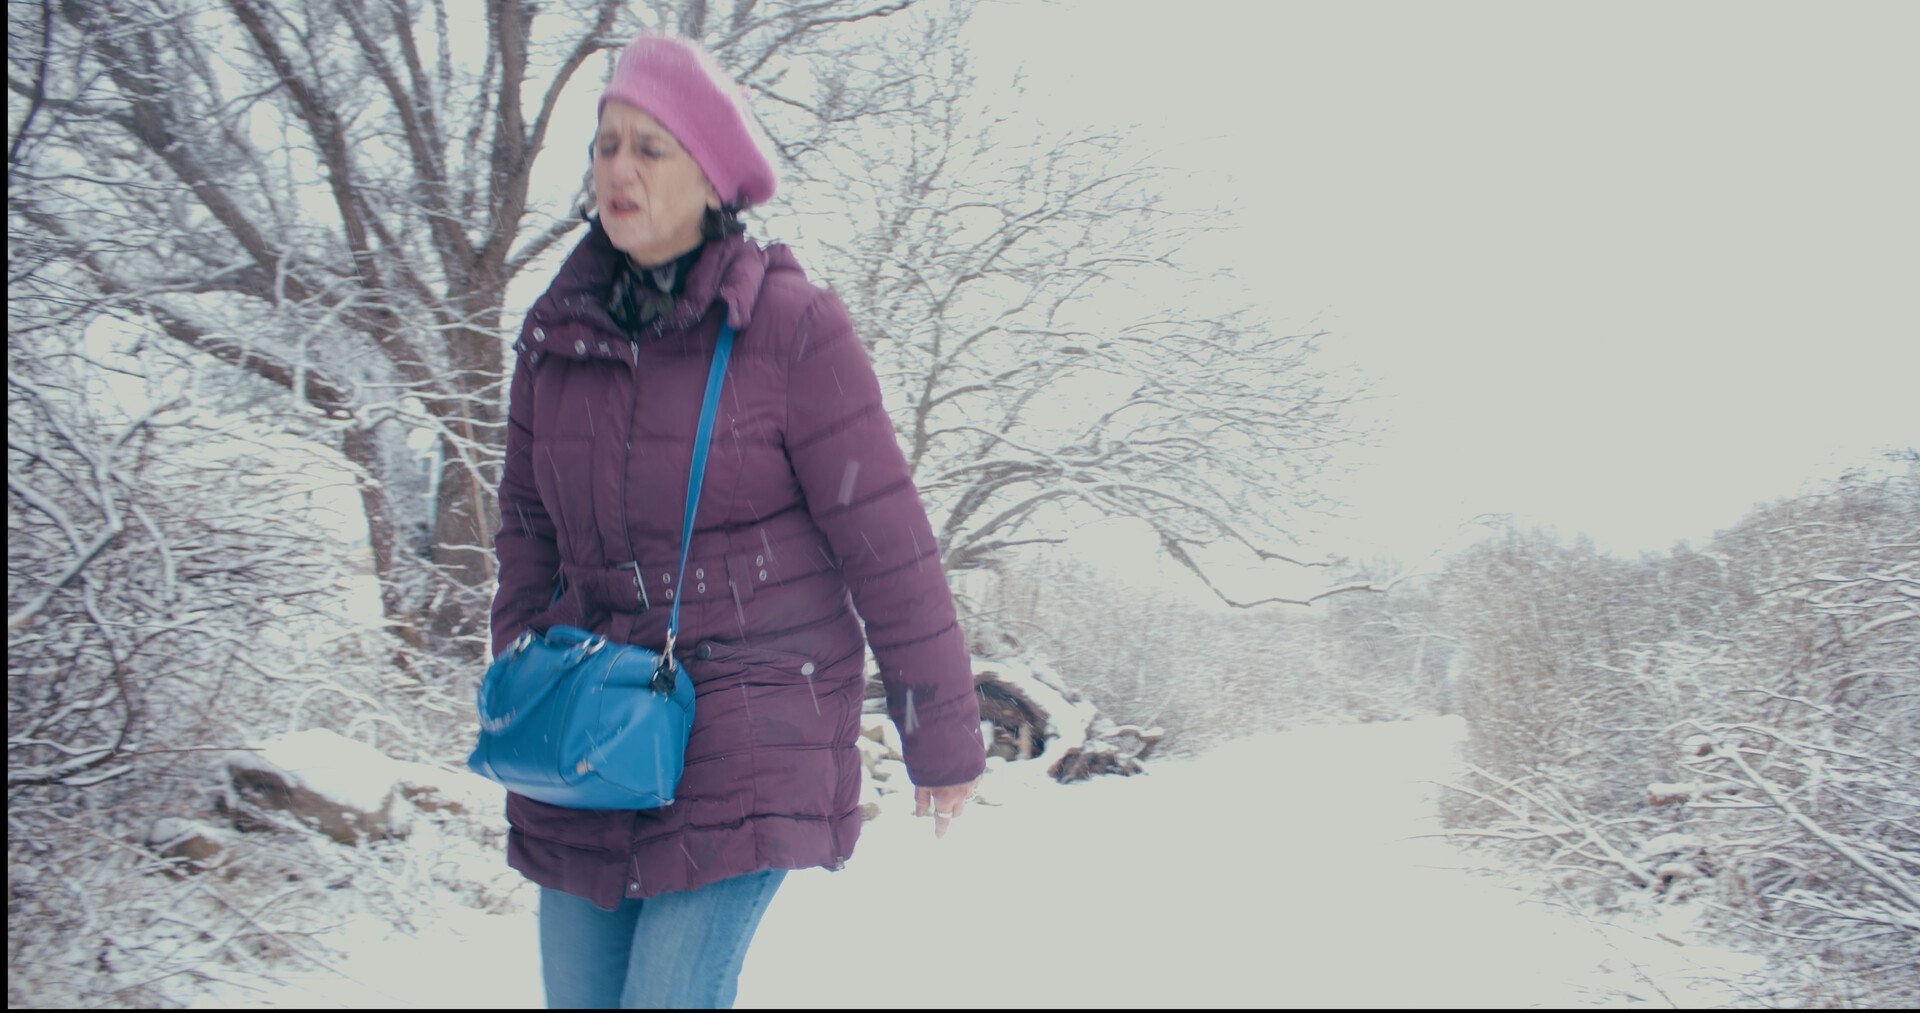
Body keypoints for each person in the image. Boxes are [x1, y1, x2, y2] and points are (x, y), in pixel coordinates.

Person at [487, 32, 986, 1010]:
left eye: (650, 147)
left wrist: (941, 731)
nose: (618, 168)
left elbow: (888, 544)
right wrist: (521, 665)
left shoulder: (792, 329)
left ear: (712, 176)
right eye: (605, 143)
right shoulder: (557, 333)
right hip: (591, 722)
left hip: (753, 718)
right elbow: (524, 528)